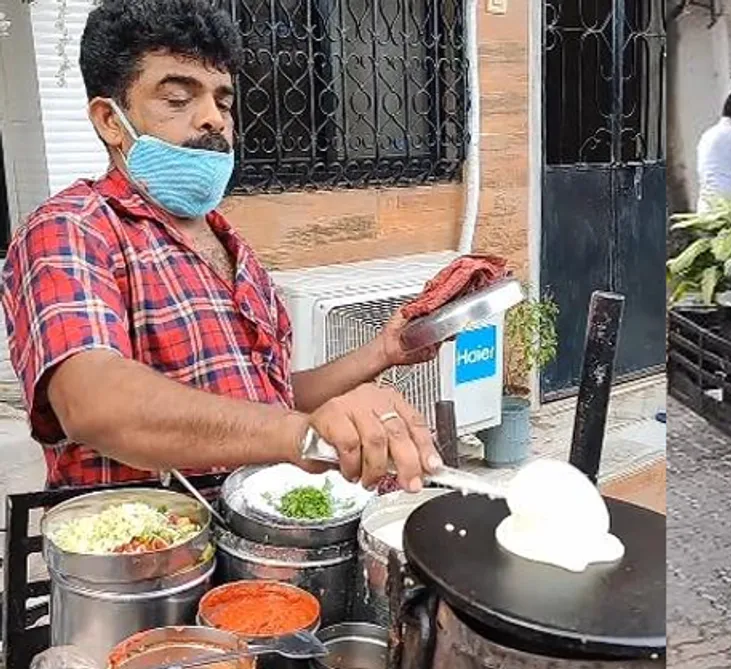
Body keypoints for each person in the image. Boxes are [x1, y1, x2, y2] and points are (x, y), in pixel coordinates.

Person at [1, 0, 441, 492]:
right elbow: (94, 403)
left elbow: (265, 402)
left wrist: (381, 351)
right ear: (109, 120)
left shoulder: (231, 245)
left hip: (261, 528)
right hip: (154, 552)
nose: (213, 119)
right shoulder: (72, 228)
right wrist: (300, 437)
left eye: (223, 101)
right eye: (177, 99)